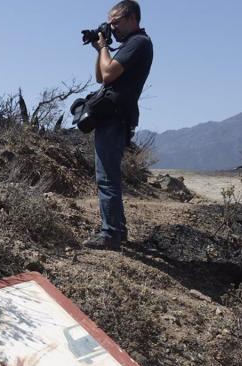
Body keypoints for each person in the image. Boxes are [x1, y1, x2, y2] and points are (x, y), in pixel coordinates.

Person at [83, 0, 153, 250]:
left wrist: (104, 47)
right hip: (113, 116)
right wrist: (99, 49)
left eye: (116, 22)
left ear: (132, 17)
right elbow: (101, 76)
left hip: (115, 117)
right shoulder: (130, 45)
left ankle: (110, 235)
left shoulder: (138, 43)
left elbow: (109, 73)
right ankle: (118, 231)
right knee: (108, 175)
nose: (113, 29)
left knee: (106, 178)